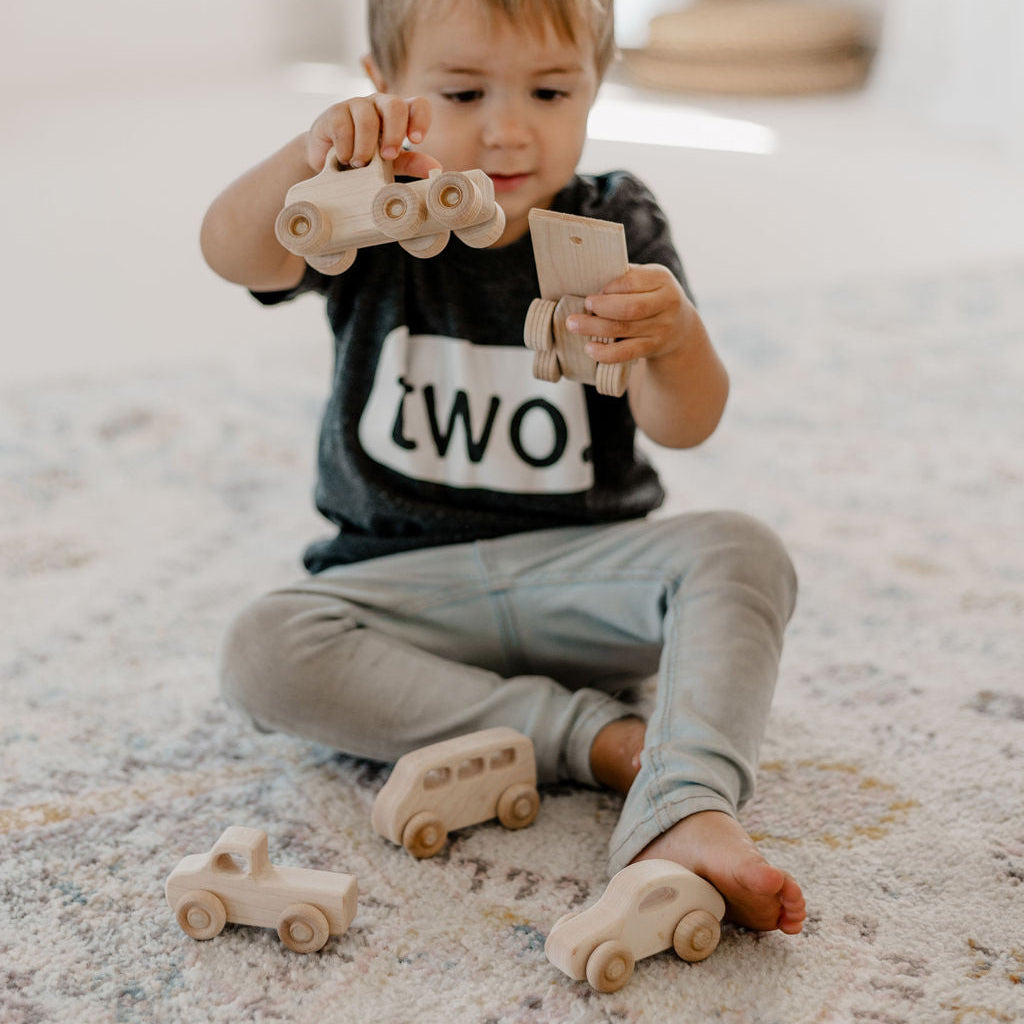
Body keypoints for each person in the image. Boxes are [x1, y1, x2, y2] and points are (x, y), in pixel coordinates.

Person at [203, 0, 805, 934]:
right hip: (404, 594)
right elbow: (230, 250)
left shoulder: (616, 221)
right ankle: (604, 743)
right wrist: (309, 160)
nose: (508, 128)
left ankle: (686, 802)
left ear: (596, 87)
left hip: (585, 585)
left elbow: (685, 425)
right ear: (385, 89)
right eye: (462, 93)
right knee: (262, 647)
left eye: (550, 92)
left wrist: (675, 337)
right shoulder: (369, 210)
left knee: (741, 550)